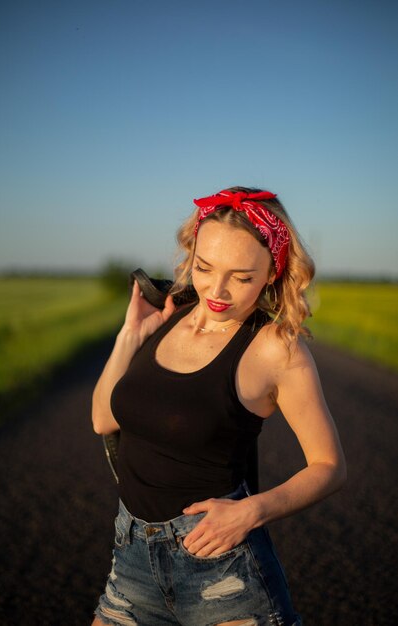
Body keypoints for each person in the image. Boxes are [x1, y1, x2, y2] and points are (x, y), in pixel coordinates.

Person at [91, 187, 346, 626]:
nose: (218, 289)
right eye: (205, 268)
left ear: (272, 272)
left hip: (224, 572)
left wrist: (252, 511)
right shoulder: (170, 314)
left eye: (242, 277)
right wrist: (130, 337)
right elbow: (104, 419)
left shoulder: (277, 349)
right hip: (131, 559)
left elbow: (329, 466)